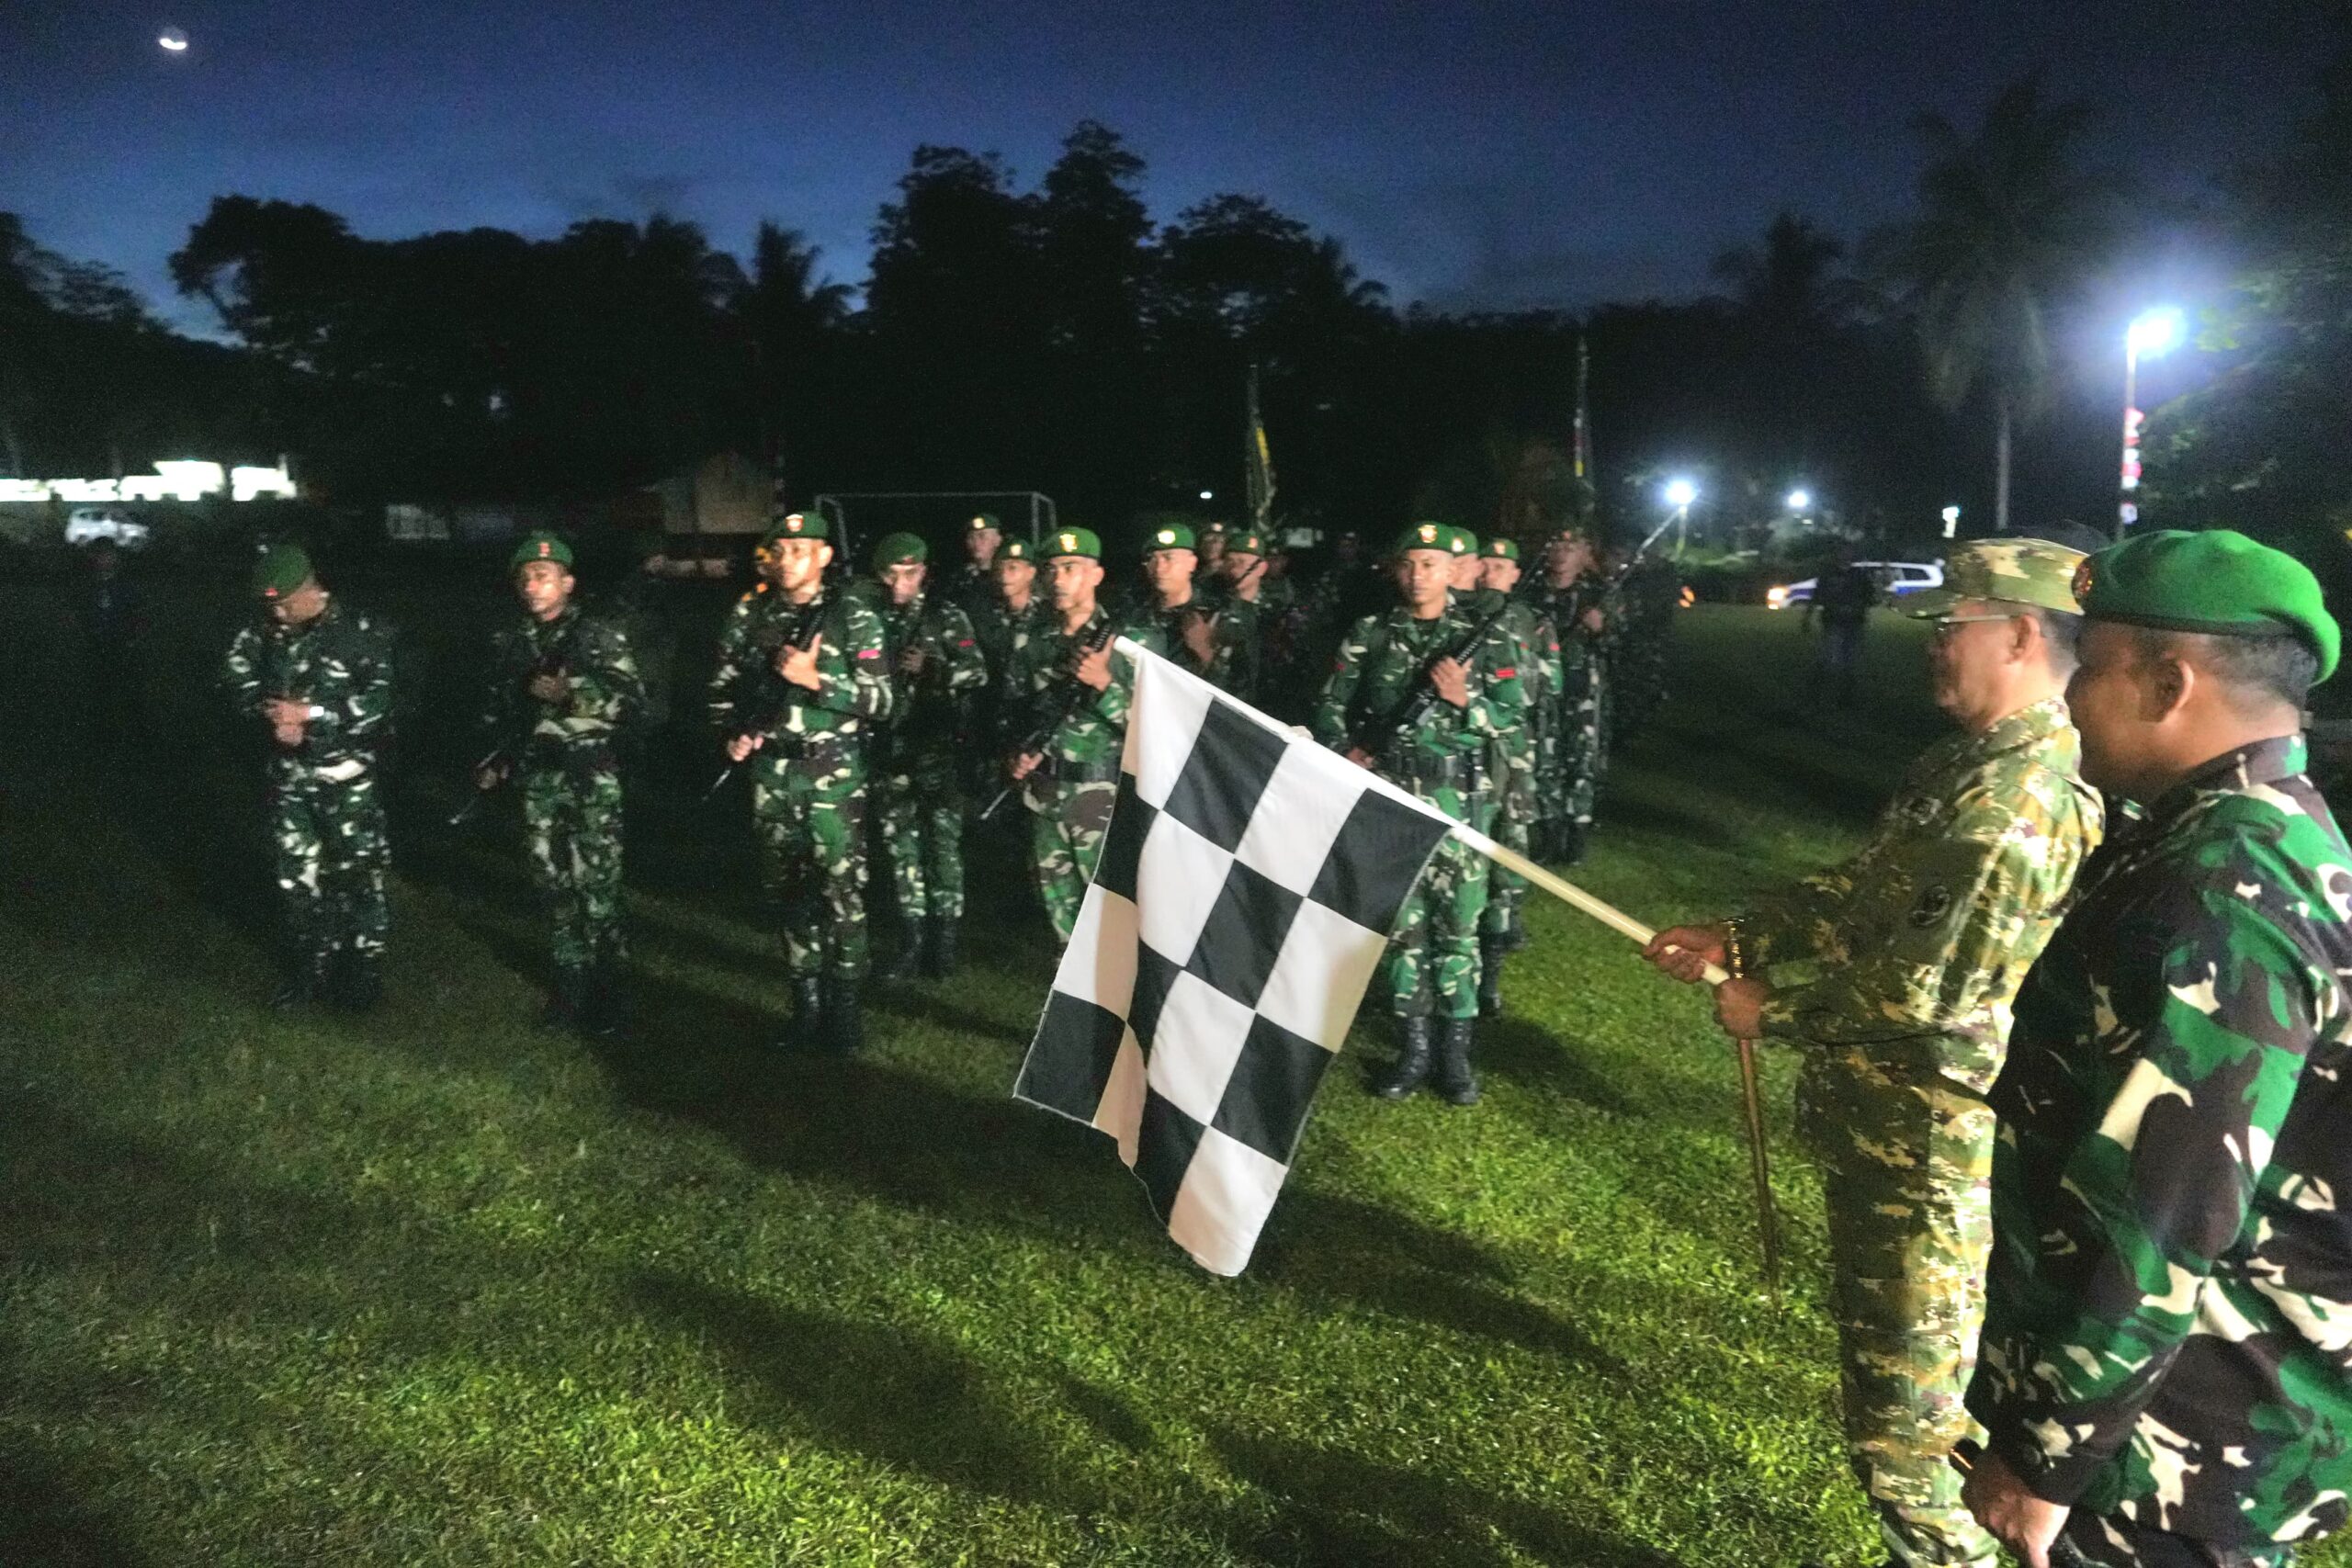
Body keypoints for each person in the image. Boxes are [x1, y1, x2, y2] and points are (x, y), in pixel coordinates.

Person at [1645, 536, 2105, 1568]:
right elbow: (1873, 891)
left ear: (2023, 635)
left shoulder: (2016, 799)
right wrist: (1745, 937)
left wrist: (1775, 1012)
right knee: (1906, 1406)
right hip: (1889, 1134)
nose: (1933, 648)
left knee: (1909, 1443)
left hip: (1939, 1154)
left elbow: (1927, 987)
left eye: (1953, 628)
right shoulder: (1964, 763)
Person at [1960, 530, 2352, 1568]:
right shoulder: (2265, 833)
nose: (2070, 697)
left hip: (2170, 1449)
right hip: (2193, 1421)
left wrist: (2048, 1458)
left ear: (2168, 681)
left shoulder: (2222, 882)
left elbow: (2167, 1205)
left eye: (2089, 668)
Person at [1314, 521, 1527, 1106]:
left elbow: (1514, 720)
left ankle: (1455, 1056)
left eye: (1430, 564)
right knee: (1403, 932)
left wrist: (1467, 701)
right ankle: (1413, 1050)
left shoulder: (1485, 635)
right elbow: (1332, 705)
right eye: (1409, 564)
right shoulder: (1372, 631)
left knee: (1458, 932)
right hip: (1390, 801)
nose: (1418, 576)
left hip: (1461, 806)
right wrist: (1348, 752)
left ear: (1451, 570)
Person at [707, 511, 893, 1052]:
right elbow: (722, 684)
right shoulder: (750, 613)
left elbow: (883, 701)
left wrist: (818, 680)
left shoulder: (853, 616)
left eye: (800, 550)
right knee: (787, 889)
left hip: (833, 775)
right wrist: (732, 733)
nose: (787, 561)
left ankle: (845, 1008)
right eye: (780, 552)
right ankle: (805, 1003)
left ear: (824, 557)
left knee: (841, 892)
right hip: (772, 775)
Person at [469, 532, 644, 1034]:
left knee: (598, 886)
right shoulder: (511, 641)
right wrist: (496, 758)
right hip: (539, 777)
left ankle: (610, 990)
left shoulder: (596, 635)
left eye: (543, 576)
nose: (532, 586)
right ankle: (570, 988)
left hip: (591, 775)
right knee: (553, 884)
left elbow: (633, 704)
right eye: (524, 578)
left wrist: (574, 693)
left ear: (567, 582)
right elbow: (503, 711)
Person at [220, 543, 397, 1011]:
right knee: (298, 877)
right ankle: (309, 970)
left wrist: (312, 714)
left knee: (358, 878)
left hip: (348, 779)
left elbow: (378, 708)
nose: (277, 613)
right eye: (270, 605)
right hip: (292, 781)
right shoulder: (267, 632)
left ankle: (362, 975)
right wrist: (271, 713)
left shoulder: (361, 633)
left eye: (284, 603)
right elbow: (235, 674)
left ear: (310, 590)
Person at [1003, 527, 1163, 942]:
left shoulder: (1135, 643)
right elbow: (1017, 711)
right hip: (1046, 797)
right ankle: (1070, 1001)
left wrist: (1105, 685)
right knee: (1062, 919)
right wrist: (1018, 752)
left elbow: (1159, 729)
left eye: (1071, 568)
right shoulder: (1033, 640)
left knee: (1115, 915)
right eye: (1052, 569)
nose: (1059, 579)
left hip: (1104, 796)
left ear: (1095, 575)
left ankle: (1118, 1003)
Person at [868, 531, 989, 979]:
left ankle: (944, 943)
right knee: (902, 848)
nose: (901, 583)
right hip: (890, 749)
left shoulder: (945, 617)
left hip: (938, 749)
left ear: (924, 574)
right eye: (892, 574)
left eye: (910, 573)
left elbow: (976, 671)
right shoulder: (869, 619)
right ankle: (911, 939)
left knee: (942, 847)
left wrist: (934, 669)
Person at [1472, 536, 1559, 1016]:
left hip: (1513, 760)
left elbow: (1550, 685)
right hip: (1464, 761)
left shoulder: (1533, 624)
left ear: (1514, 574)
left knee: (1507, 863)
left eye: (1501, 566)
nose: (1490, 571)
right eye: (1483, 563)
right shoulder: (1458, 617)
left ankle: (1491, 975)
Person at [1528, 526, 1611, 864]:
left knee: (1580, 763)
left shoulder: (1597, 593)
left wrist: (1601, 628)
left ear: (1584, 555)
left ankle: (1575, 839)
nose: (1562, 553)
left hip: (1581, 690)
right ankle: (1548, 836)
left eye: (1571, 547)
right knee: (1545, 761)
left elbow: (1619, 646)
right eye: (1557, 546)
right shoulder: (1532, 593)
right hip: (1543, 689)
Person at [1135, 523, 1227, 686]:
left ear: (1191, 563)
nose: (1159, 568)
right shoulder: (1134, 612)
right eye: (1152, 559)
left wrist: (1204, 651)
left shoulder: (1218, 614)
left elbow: (1240, 690)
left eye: (1168, 558)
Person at [1808, 540, 1879, 710]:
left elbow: (1870, 597)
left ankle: (1844, 697)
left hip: (1854, 623)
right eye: (1842, 551)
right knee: (1831, 660)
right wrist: (1807, 616)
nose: (1845, 555)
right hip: (1834, 621)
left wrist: (1858, 605)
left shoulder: (1859, 575)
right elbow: (1818, 596)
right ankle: (1818, 693)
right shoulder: (1828, 574)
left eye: (1848, 552)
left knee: (1850, 663)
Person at [948, 513, 1002, 617]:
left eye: (982, 536)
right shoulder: (958, 578)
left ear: (997, 540)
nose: (976, 543)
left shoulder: (1008, 576)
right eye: (971, 538)